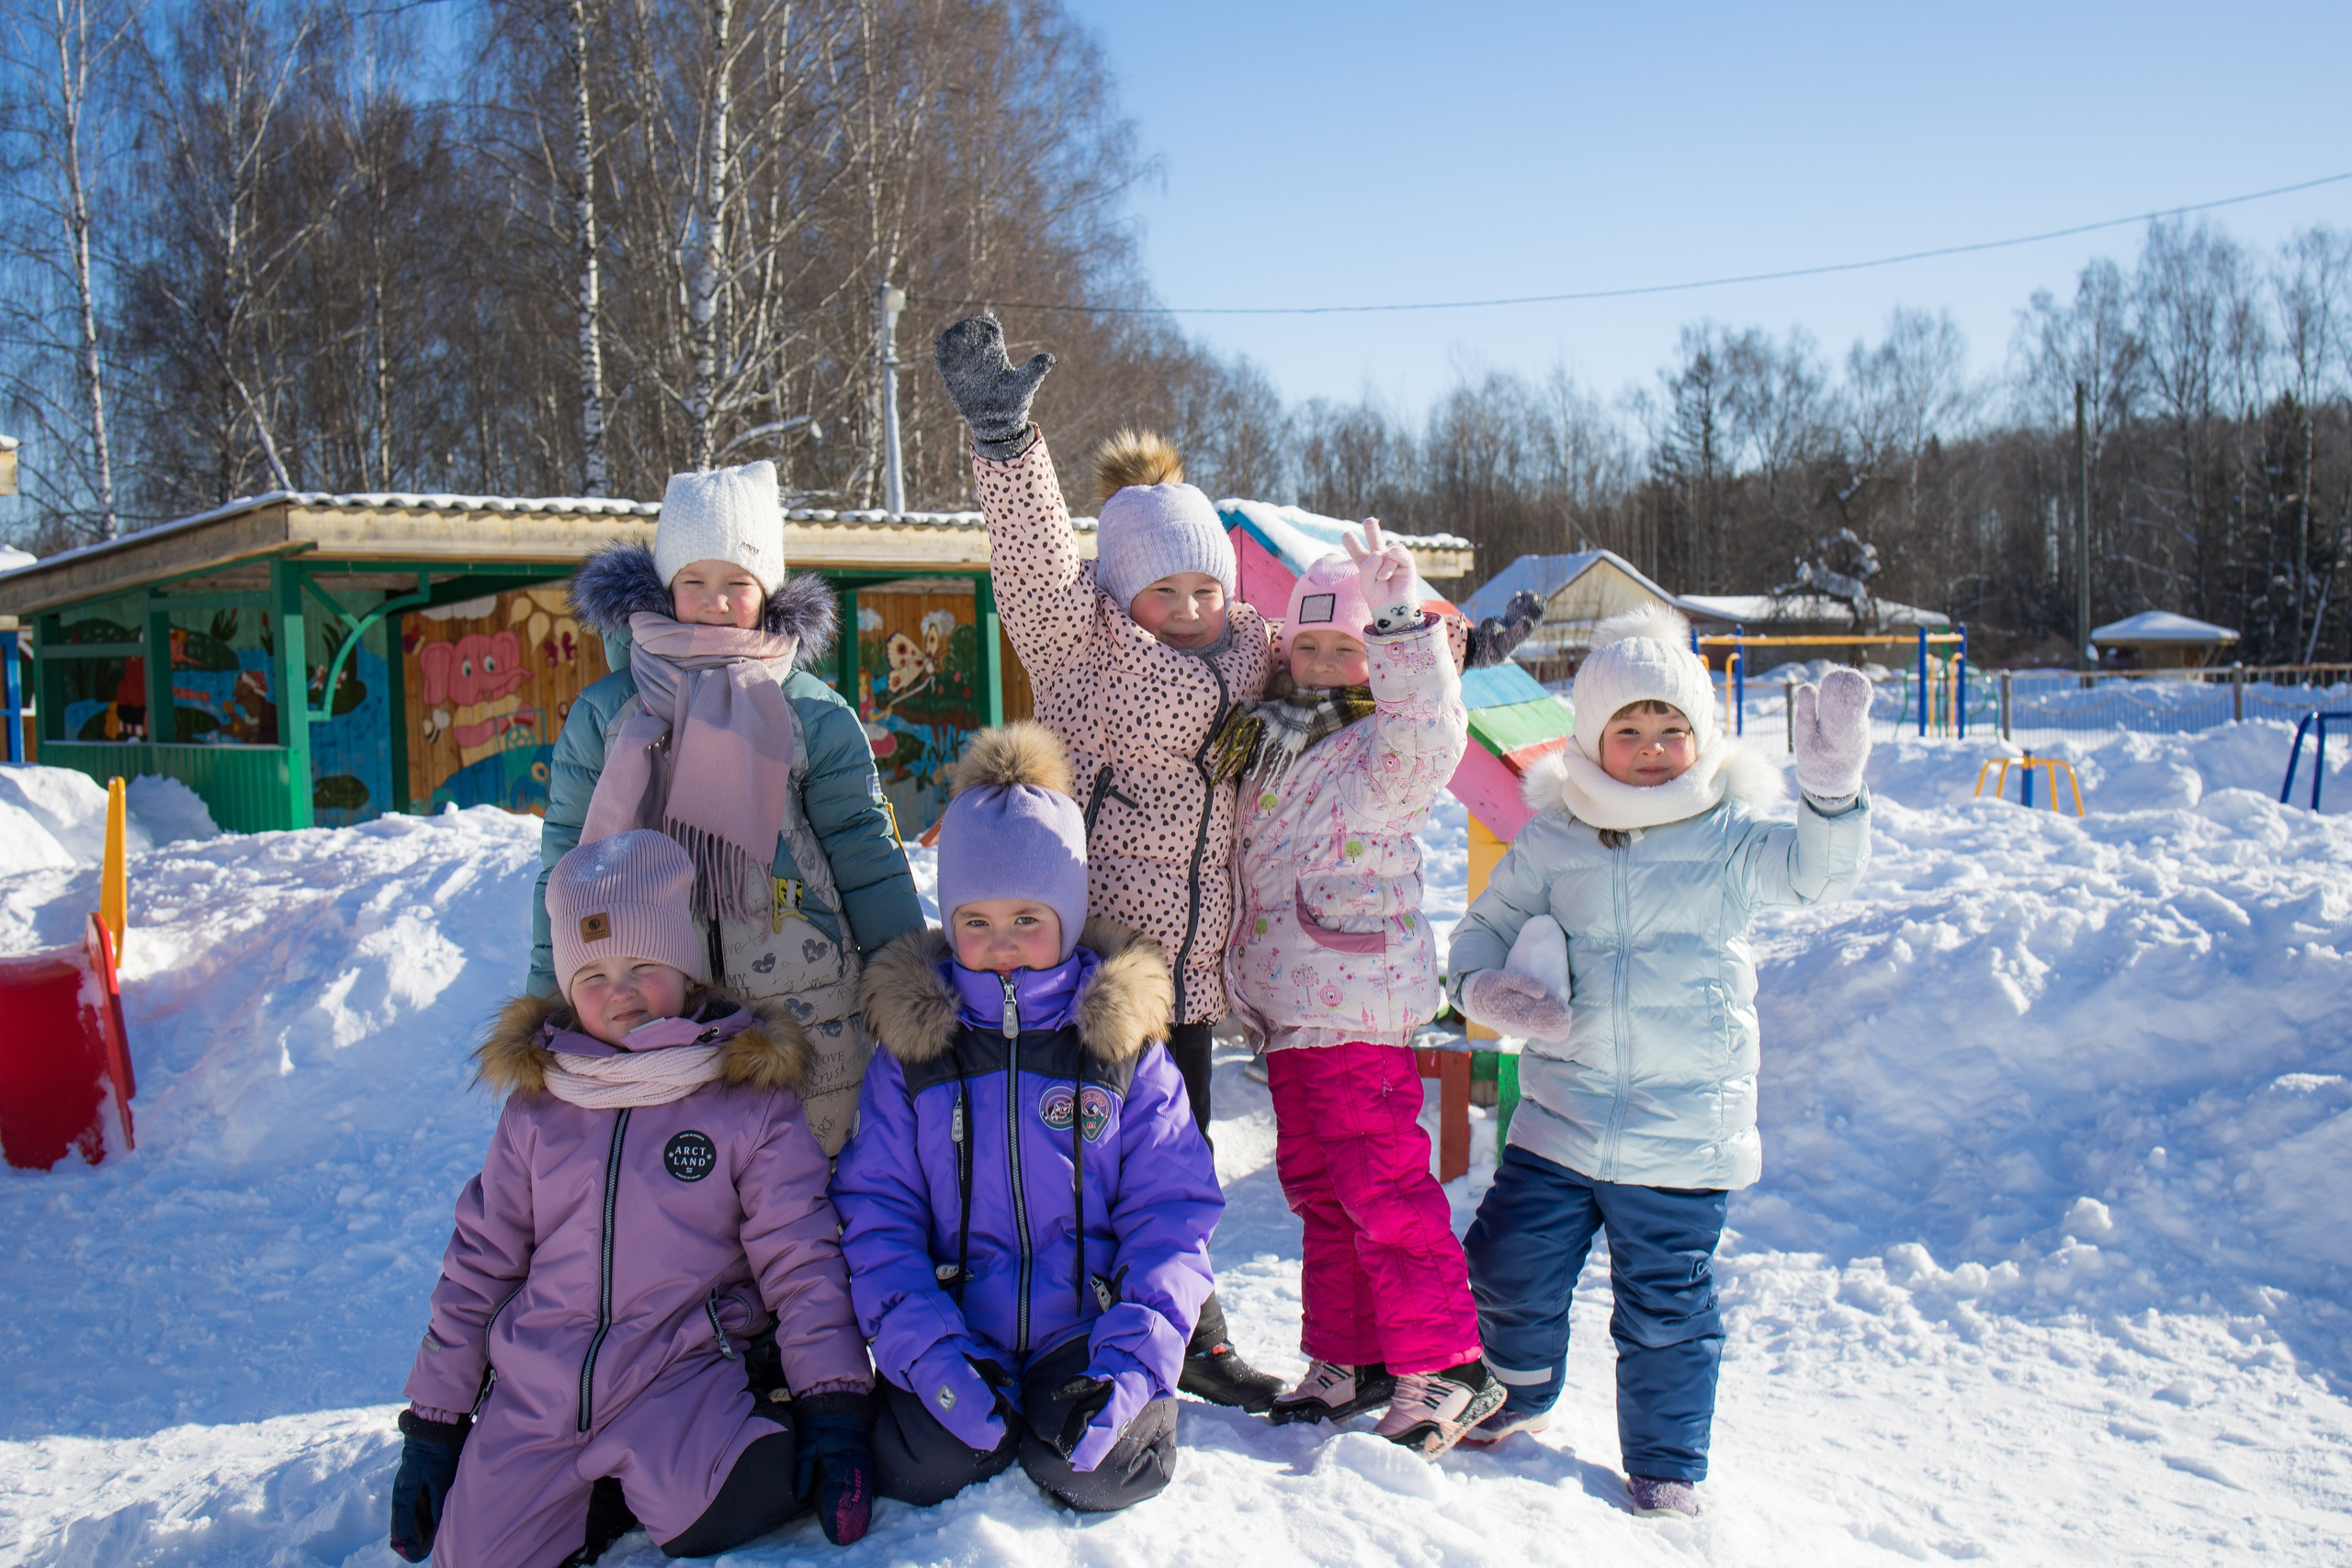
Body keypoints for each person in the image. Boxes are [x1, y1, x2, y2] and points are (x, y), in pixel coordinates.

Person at [1446, 606, 1874, 1517]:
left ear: (1701, 735)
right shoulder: (1556, 836)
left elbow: (1816, 875)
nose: (1649, 749)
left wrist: (1830, 795)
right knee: (1504, 1263)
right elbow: (1484, 927)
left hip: (1681, 1137)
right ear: (1593, 739)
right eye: (1628, 730)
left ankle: (1667, 1465)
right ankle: (1514, 1391)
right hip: (1559, 1119)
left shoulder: (1724, 835)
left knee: (1667, 1312)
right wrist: (1483, 987)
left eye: (1669, 730)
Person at [930, 315, 1282, 1408]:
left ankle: (1187, 1327)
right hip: (1092, 962)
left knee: (1181, 1163)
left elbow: (1346, 685)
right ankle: (1067, 1318)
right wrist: (1005, 443)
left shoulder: (1258, 658)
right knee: (1076, 1151)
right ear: (1121, 594)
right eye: (1162, 591)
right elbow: (1035, 566)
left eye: (1203, 590)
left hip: (1195, 973)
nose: (1186, 610)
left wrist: (1429, 649)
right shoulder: (1083, 648)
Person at [390, 830, 875, 1566]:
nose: (618, 992)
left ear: (684, 969)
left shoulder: (742, 1099)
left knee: (709, 1507)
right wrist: (434, 1424)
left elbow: (801, 1257)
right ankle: (585, 1493)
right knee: (474, 1556)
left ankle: (717, 1445)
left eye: (642, 965)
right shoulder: (539, 1107)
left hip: (674, 1371)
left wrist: (833, 1404)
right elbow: (479, 1265)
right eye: (593, 974)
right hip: (538, 1393)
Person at [830, 723, 1224, 1512]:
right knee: (919, 1468)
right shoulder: (916, 1053)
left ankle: (1106, 1398)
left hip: (1088, 1336)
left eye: (1027, 920)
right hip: (956, 1331)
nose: (1001, 945)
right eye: (975, 922)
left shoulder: (1122, 1049)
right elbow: (878, 1212)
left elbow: (1172, 1215)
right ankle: (961, 1391)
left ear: (1070, 916)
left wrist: (1133, 1363)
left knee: (1105, 1467)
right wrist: (926, 1350)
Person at [1209, 524, 1506, 1456]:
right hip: (1287, 1013)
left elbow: (1434, 728)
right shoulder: (1264, 745)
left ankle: (1445, 1363)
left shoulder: (1385, 747)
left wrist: (1400, 623)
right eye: (1311, 644)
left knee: (1383, 1191)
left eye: (1347, 646)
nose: (1327, 661)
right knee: (1321, 1194)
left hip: (1356, 1006)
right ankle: (1350, 1355)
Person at [545, 459, 924, 1156]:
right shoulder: (610, 713)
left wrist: (909, 981)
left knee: (809, 1207)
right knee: (683, 1197)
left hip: (805, 1004)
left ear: (768, 589)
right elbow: (566, 867)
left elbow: (865, 852)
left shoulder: (811, 712)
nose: (716, 602)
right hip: (652, 1004)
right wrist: (548, 1000)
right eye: (694, 582)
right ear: (663, 588)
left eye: (736, 584)